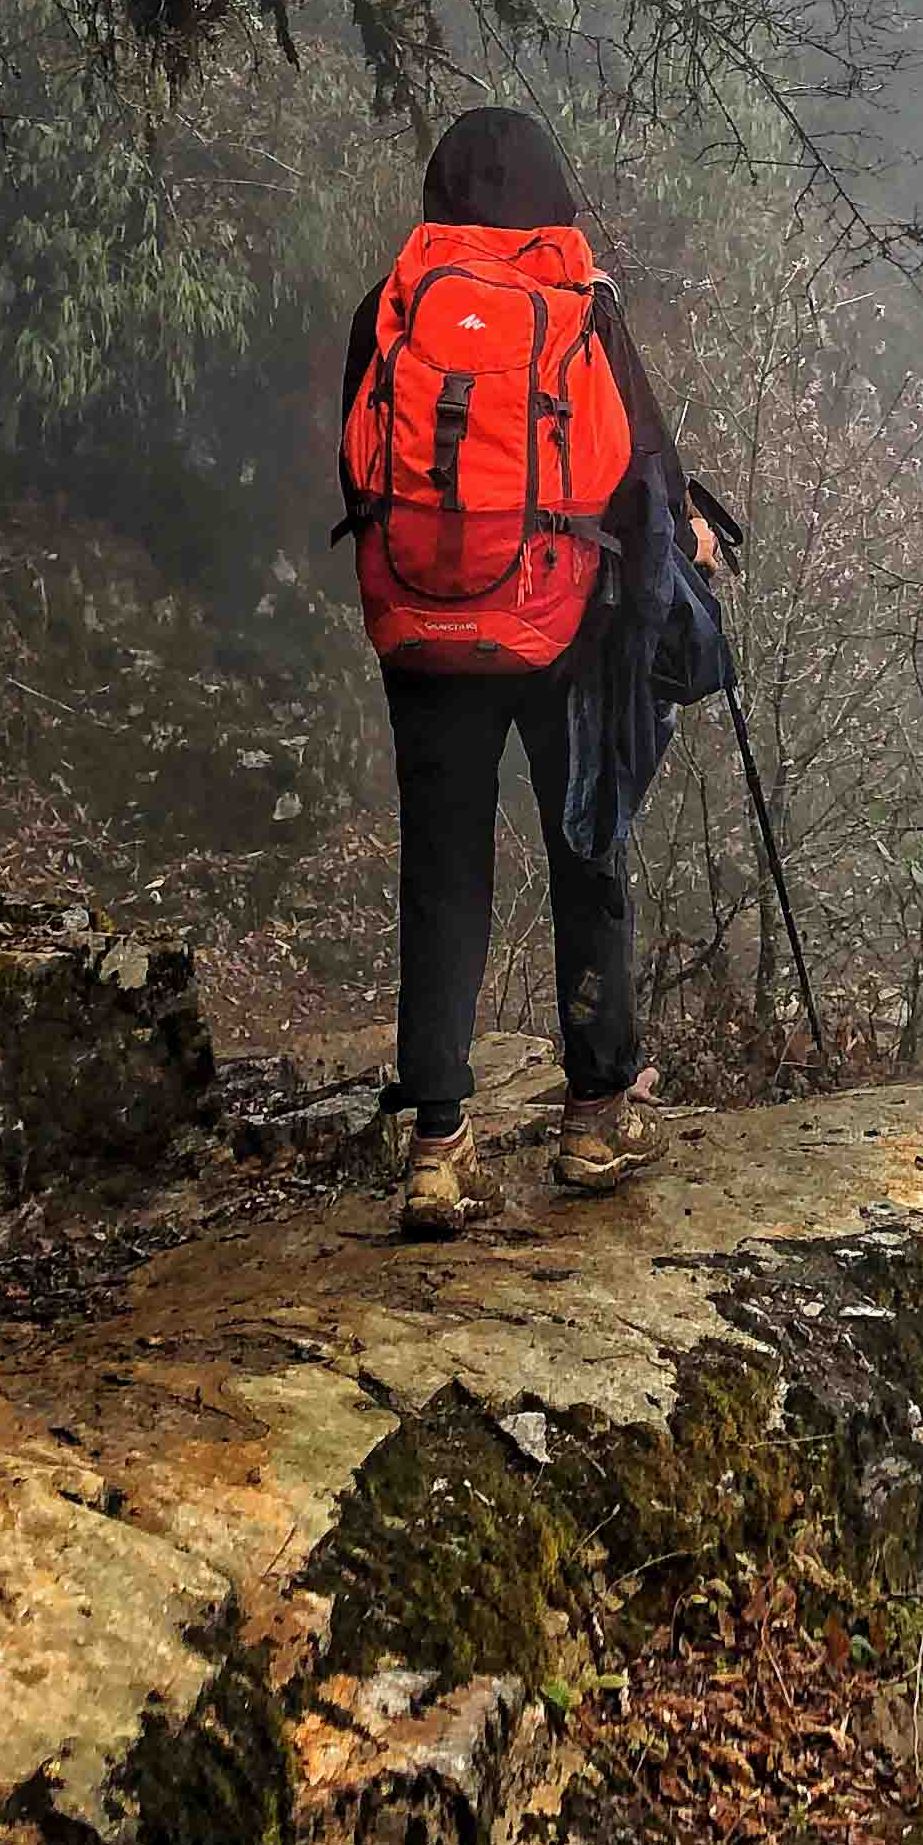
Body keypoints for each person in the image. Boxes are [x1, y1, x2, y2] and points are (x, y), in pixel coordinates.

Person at [336, 106, 722, 1241]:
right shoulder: (579, 304)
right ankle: (597, 1114)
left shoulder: (392, 308)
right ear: (553, 191)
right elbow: (642, 476)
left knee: (443, 871)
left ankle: (439, 1149)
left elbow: (359, 466)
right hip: (563, 624)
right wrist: (694, 547)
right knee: (584, 844)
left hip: (423, 626)